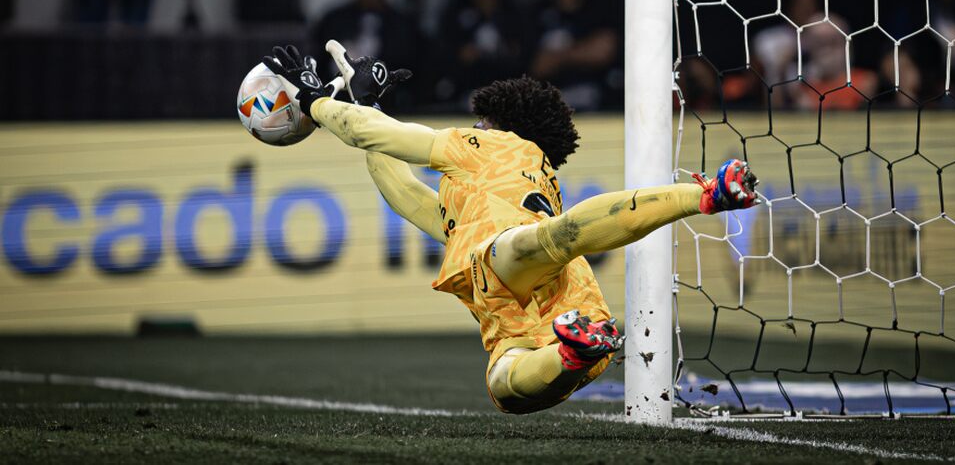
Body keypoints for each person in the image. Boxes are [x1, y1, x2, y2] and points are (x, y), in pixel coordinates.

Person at [259, 42, 759, 414]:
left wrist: (314, 103)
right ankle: (573, 353)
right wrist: (363, 106)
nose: (474, 127)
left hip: (508, 264)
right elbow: (406, 195)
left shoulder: (495, 147)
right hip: (561, 306)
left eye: (482, 121)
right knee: (505, 387)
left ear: (503, 124)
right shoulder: (492, 189)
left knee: (540, 241)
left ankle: (705, 195)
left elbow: (382, 137)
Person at [310, 0, 420, 108]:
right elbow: (318, 66)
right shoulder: (332, 20)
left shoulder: (404, 25)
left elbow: (413, 72)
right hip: (337, 105)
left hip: (390, 109)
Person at [527, 0, 620, 111]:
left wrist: (557, 57)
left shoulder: (602, 11)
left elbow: (603, 52)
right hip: (544, 108)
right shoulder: (535, 13)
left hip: (596, 108)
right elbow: (535, 65)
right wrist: (582, 51)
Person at [433, 0, 523, 103]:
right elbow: (442, 56)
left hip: (509, 94)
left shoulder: (516, 11)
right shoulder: (453, 10)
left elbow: (525, 56)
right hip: (462, 95)